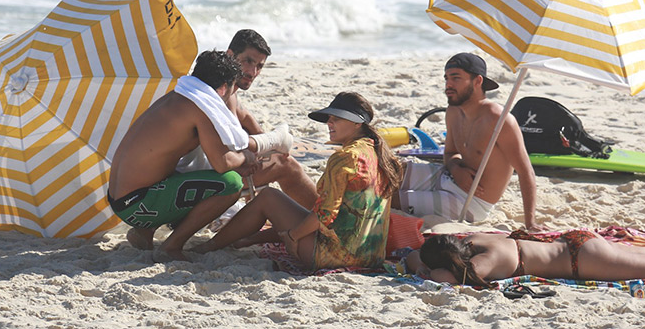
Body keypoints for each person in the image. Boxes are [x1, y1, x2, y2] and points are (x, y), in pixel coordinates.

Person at [107, 50, 289, 263]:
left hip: (121, 198)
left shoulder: (178, 96)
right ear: (223, 88)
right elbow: (222, 163)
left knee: (192, 172)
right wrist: (246, 158)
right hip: (136, 205)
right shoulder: (200, 109)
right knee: (230, 184)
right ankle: (171, 246)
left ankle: (143, 232)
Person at [192, 92, 405, 270]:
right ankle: (246, 239)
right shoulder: (381, 155)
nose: (329, 123)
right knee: (292, 213)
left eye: (336, 119)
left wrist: (293, 236)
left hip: (335, 256)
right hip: (371, 254)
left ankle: (211, 246)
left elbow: (325, 215)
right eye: (329, 119)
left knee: (269, 198)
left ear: (358, 123)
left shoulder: (346, 157)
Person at [393, 52, 540, 230]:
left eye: (456, 78)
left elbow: (526, 172)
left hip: (471, 202)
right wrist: (456, 169)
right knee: (390, 171)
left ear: (477, 81)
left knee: (390, 198)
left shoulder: (499, 120)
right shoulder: (454, 111)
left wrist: (530, 222)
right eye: (446, 78)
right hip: (448, 176)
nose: (448, 84)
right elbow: (449, 153)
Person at [225, 29, 317, 208]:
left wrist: (273, 145)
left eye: (259, 66)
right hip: (208, 176)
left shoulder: (228, 90)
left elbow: (250, 123)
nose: (252, 72)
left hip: (212, 168)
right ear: (230, 55)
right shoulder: (221, 93)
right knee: (285, 164)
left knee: (276, 154)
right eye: (248, 61)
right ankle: (328, 221)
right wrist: (275, 144)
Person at [403, 230, 645, 286]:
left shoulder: (484, 262)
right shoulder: (475, 240)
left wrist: (421, 267)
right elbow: (417, 253)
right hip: (575, 242)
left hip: (583, 261)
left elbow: (444, 278)